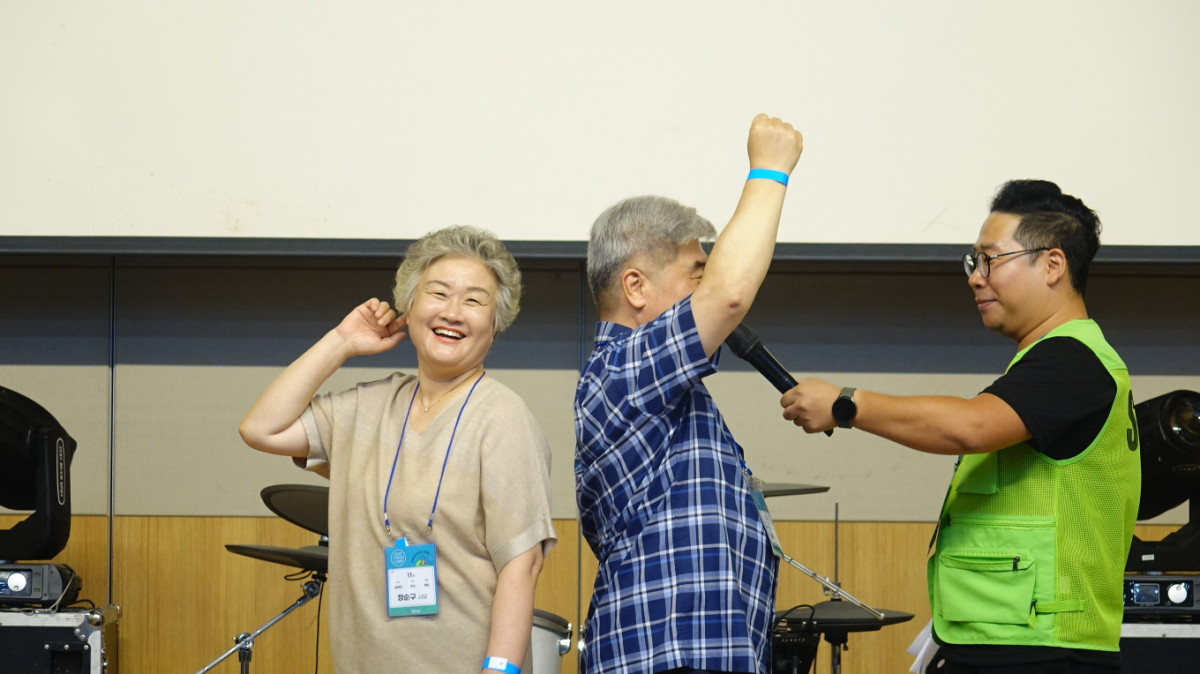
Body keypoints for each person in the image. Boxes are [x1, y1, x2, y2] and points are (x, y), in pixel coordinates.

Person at [780, 180, 1140, 674]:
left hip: (1042, 653)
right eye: (973, 262)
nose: (975, 278)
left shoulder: (1074, 359)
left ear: (1053, 265)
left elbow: (971, 426)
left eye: (990, 260)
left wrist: (846, 404)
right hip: (1009, 643)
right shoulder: (1053, 360)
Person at [239, 225, 556, 674]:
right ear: (409, 307)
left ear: (495, 323)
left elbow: (522, 564)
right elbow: (261, 429)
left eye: (474, 301)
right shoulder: (368, 407)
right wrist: (341, 342)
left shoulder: (503, 418)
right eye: (438, 293)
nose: (453, 312)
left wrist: (499, 670)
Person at [574, 113, 805, 674]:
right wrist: (770, 169)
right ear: (635, 286)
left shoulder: (665, 387)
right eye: (696, 272)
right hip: (664, 659)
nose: (707, 284)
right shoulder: (623, 367)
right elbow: (729, 296)